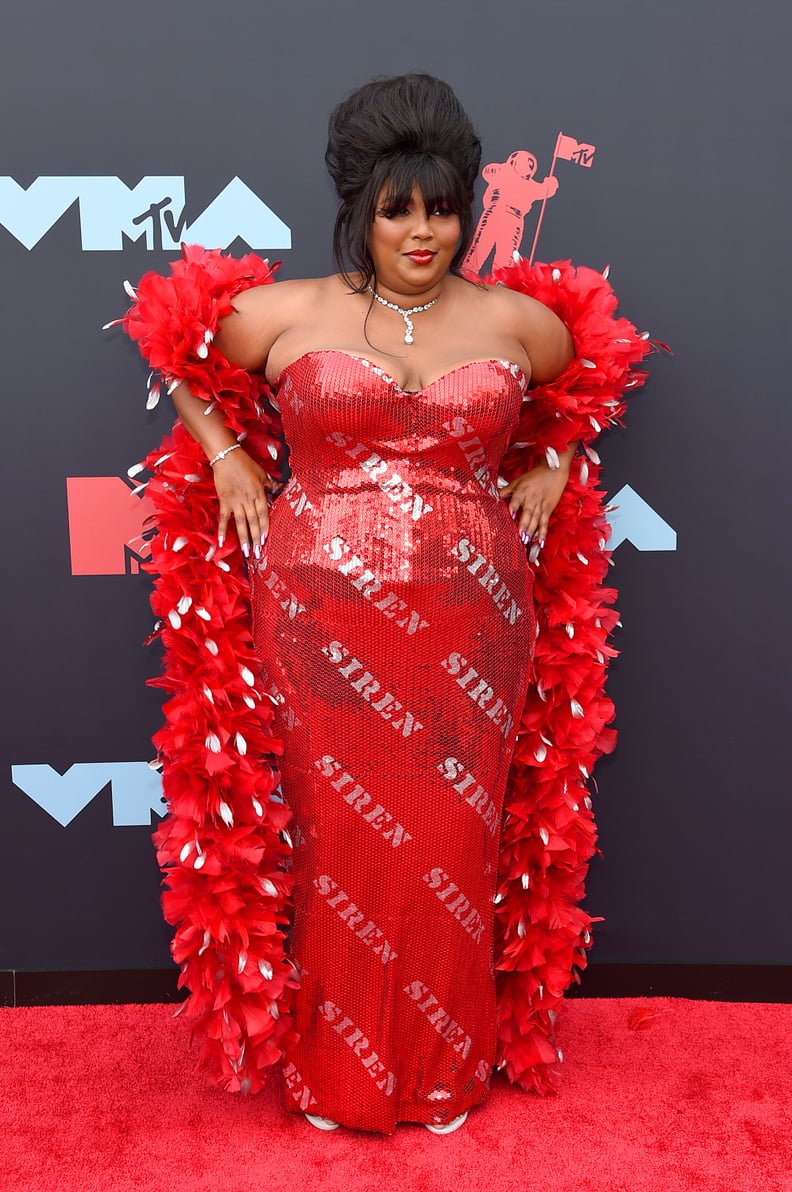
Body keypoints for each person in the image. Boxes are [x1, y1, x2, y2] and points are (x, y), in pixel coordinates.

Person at [118, 72, 652, 1136]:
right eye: (397, 208)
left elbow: (593, 374)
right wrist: (226, 451)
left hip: (473, 624)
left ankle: (443, 1072)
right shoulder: (289, 311)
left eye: (443, 206)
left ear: (465, 207)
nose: (422, 231)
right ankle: (335, 1074)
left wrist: (553, 454)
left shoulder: (518, 320)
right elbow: (172, 344)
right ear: (360, 204)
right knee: (334, 842)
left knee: (454, 844)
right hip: (320, 621)